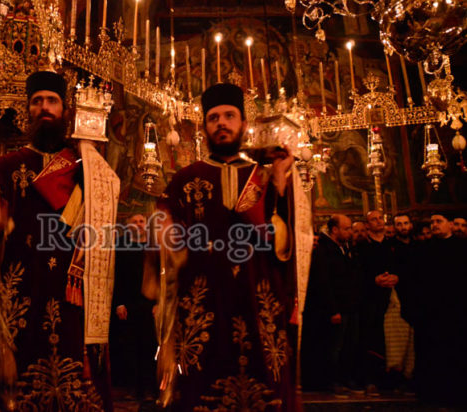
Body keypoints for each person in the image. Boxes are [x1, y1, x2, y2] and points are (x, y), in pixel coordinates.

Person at [0, 71, 117, 411]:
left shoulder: (85, 165)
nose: (44, 107)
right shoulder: (8, 165)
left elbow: (104, 219)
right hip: (20, 285)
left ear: (65, 109)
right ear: (29, 109)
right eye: (37, 101)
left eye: (52, 100)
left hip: (72, 284)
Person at [151, 83, 298, 410]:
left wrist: (280, 182)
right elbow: (165, 235)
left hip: (258, 295)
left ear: (244, 124)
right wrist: (164, 234)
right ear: (204, 127)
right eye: (214, 117)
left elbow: (287, 240)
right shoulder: (185, 179)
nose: (221, 123)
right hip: (202, 300)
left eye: (229, 116)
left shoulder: (264, 176)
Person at [303, 215, 362, 397]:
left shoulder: (344, 247)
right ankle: (332, 380)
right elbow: (323, 282)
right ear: (335, 230)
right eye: (347, 228)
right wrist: (333, 310)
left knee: (349, 345)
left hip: (349, 306)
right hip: (335, 308)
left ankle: (345, 378)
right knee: (334, 346)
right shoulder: (323, 249)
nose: (350, 232)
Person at [412, 213, 467, 407]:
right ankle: (431, 395)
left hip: (457, 312)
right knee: (431, 354)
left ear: (450, 224)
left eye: (439, 221)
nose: (434, 225)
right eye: (432, 222)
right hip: (430, 313)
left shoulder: (462, 248)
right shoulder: (422, 248)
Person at [110, 214, 157, 400]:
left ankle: (150, 389)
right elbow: (116, 275)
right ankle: (133, 389)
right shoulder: (121, 246)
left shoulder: (153, 246)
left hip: (149, 305)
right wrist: (119, 303)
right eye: (134, 222)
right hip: (128, 304)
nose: (138, 224)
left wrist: (158, 304)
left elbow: (160, 276)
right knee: (129, 347)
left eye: (141, 221)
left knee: (149, 347)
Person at [356, 210, 397, 396]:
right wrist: (374, 280)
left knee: (391, 339)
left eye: (381, 218)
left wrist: (396, 277)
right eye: (374, 219)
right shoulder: (361, 247)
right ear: (367, 225)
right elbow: (357, 273)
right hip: (369, 299)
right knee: (371, 338)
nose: (379, 222)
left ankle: (390, 380)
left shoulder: (392, 245)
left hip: (391, 297)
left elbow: (402, 267)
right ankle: (370, 379)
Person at [384, 214, 416, 392]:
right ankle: (396, 379)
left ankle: (410, 377)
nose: (403, 227)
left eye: (406, 223)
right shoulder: (390, 247)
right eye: (399, 224)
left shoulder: (418, 245)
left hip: (416, 298)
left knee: (413, 343)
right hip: (397, 299)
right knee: (397, 343)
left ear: (410, 225)